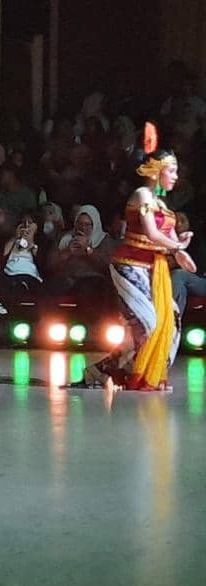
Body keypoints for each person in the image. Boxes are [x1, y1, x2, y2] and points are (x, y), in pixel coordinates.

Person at [77, 124, 194, 391]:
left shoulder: (162, 204)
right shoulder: (141, 195)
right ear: (156, 170)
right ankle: (124, 372)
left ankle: (110, 371)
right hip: (129, 266)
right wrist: (177, 249)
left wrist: (179, 244)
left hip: (152, 268)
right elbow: (152, 234)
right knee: (147, 323)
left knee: (171, 323)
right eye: (172, 170)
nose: (176, 176)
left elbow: (163, 242)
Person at [0, 211, 43, 318]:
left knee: (19, 286)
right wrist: (15, 238)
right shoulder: (7, 239)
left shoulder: (43, 242)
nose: (26, 226)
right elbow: (0, 257)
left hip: (28, 276)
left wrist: (31, 243)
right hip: (8, 273)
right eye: (23, 223)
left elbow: (44, 264)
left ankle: (7, 311)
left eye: (30, 223)